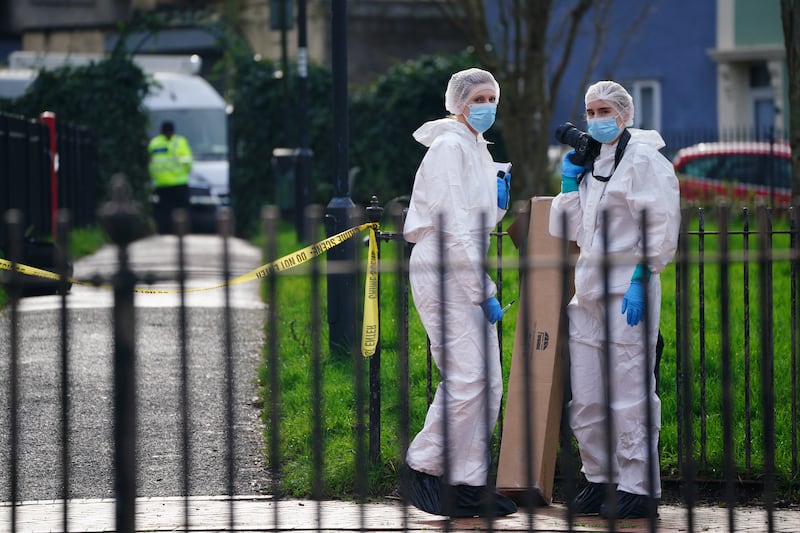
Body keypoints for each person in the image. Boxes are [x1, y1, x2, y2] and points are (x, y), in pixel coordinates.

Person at [549, 80, 681, 519]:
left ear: (625, 114)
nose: (596, 119)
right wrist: (570, 184)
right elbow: (573, 230)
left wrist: (644, 275)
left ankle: (637, 487)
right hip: (588, 289)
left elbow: (659, 224)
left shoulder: (644, 161)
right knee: (586, 394)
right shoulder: (597, 162)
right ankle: (599, 478)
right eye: (590, 111)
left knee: (629, 390)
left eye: (605, 110)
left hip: (628, 289)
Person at [401, 67, 516, 518]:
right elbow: (452, 228)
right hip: (445, 267)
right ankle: (424, 468)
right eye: (479, 98)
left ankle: (467, 481)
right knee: (467, 378)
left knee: (488, 382)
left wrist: (500, 198)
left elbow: (477, 222)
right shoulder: (450, 146)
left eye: (492, 98)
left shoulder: (475, 147)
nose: (486, 106)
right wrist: (482, 288)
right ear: (459, 101)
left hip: (464, 268)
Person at [148, 120, 193, 234]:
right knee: (182, 212)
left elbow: (150, 164)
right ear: (173, 131)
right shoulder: (180, 142)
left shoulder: (154, 143)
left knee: (164, 212)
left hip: (162, 185)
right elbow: (188, 163)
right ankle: (182, 231)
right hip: (179, 184)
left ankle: (164, 233)